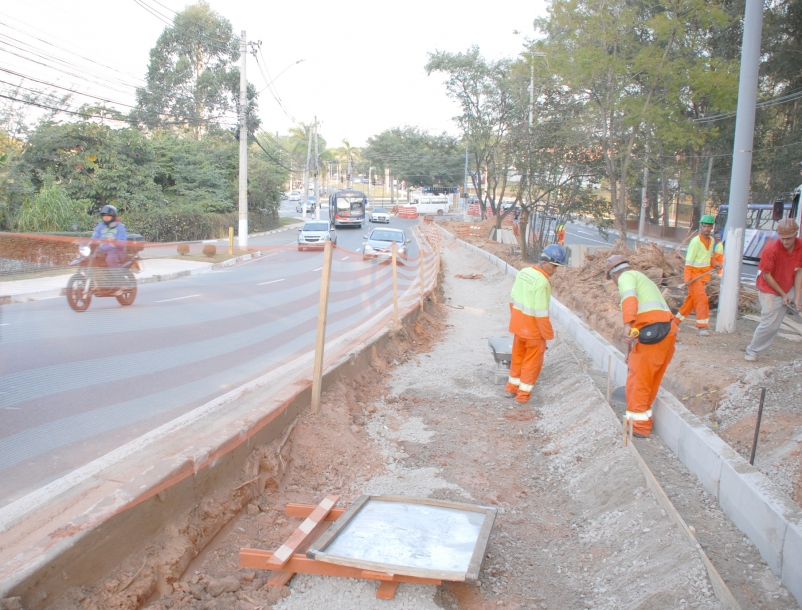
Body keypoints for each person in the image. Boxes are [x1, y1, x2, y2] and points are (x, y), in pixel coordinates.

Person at [606, 254, 678, 438]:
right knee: (649, 381)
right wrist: (632, 350)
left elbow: (630, 299)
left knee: (638, 381)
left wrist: (627, 325)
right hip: (665, 335)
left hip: (653, 335)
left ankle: (638, 427)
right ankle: (644, 420)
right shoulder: (643, 279)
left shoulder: (626, 277)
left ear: (614, 275)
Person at [505, 244, 565, 404]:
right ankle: (523, 396)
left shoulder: (524, 273)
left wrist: (519, 321)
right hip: (533, 333)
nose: (555, 270)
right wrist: (548, 335)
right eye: (554, 266)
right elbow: (541, 313)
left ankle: (511, 388)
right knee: (531, 363)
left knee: (517, 358)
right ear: (545, 263)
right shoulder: (542, 281)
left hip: (519, 328)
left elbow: (512, 299)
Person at [745, 218, 802, 361]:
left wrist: (798, 296)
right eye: (782, 238)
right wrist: (783, 295)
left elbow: (799, 272)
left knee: (778, 321)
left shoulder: (800, 247)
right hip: (769, 287)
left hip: (789, 284)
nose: (786, 242)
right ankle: (752, 350)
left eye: (789, 238)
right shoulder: (772, 249)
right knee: (770, 324)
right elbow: (767, 275)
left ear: (796, 234)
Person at [676, 215, 721, 336]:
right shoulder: (695, 242)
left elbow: (709, 257)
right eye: (704, 226)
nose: (706, 229)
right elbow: (689, 262)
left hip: (703, 276)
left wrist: (716, 264)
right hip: (694, 276)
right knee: (702, 299)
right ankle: (702, 326)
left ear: (712, 227)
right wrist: (687, 279)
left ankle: (675, 321)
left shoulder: (711, 241)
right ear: (701, 226)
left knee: (691, 301)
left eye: (709, 226)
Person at [92, 205, 127, 289]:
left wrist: (114, 240)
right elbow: (94, 237)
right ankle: (95, 283)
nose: (106, 218)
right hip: (102, 250)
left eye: (108, 216)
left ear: (113, 216)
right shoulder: (100, 226)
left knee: (110, 259)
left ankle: (120, 284)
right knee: (91, 258)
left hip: (117, 251)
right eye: (104, 216)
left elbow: (123, 242)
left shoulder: (120, 227)